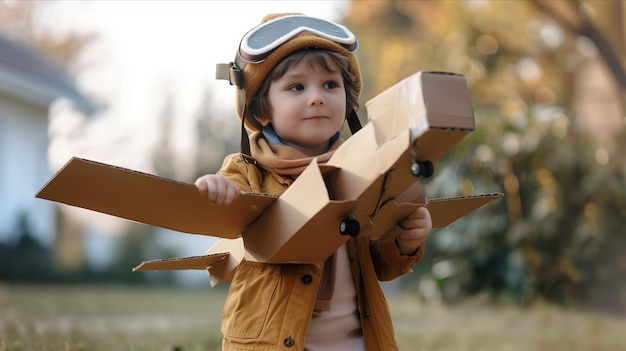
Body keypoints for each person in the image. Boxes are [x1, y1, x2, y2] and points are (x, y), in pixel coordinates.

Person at [195, 13, 432, 351]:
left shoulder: (366, 171)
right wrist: (220, 192)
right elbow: (226, 217)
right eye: (296, 87)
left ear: (348, 100)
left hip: (357, 342)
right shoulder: (247, 172)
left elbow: (380, 263)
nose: (317, 97)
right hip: (274, 342)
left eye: (330, 85)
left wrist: (405, 241)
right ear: (261, 110)